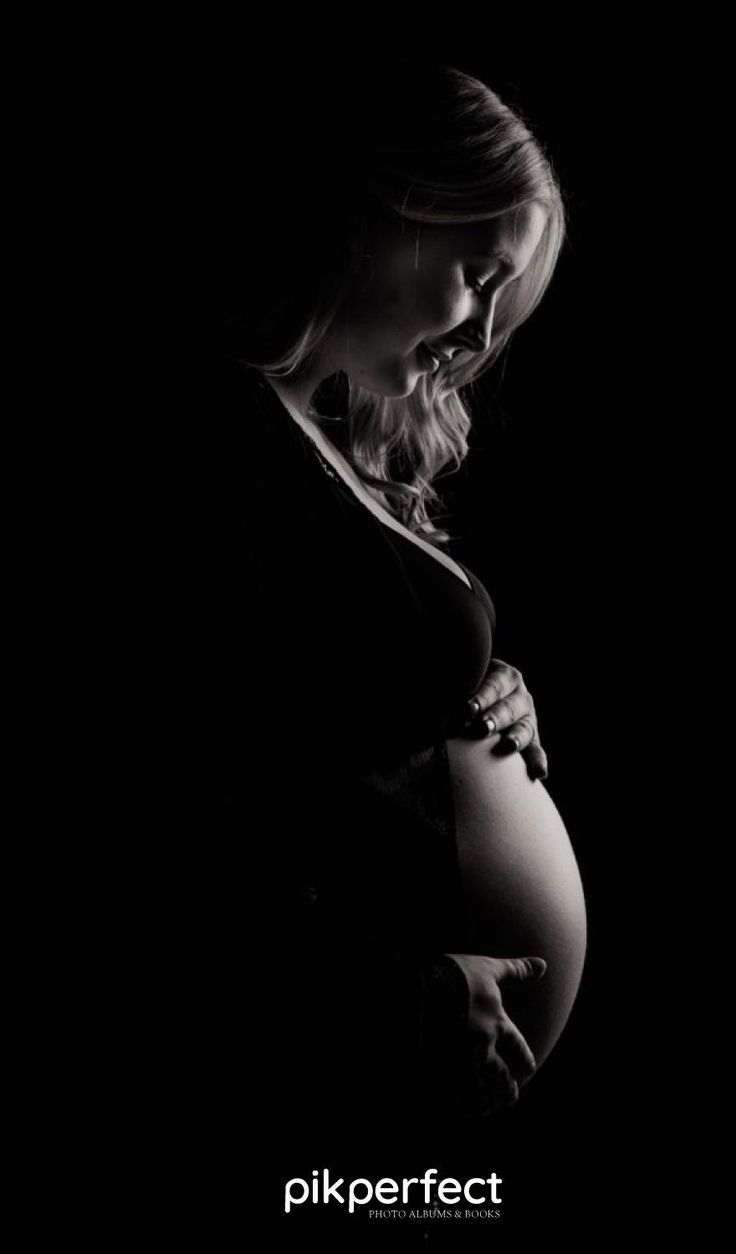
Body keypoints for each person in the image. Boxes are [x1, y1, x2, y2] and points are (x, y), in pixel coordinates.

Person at [38, 56, 587, 1209]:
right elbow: (177, 796)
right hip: (318, 1077)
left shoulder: (336, 446)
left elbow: (346, 707)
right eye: (475, 275)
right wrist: (408, 997)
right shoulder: (207, 433)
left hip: (402, 1089)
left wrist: (490, 691)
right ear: (386, 210)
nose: (478, 333)